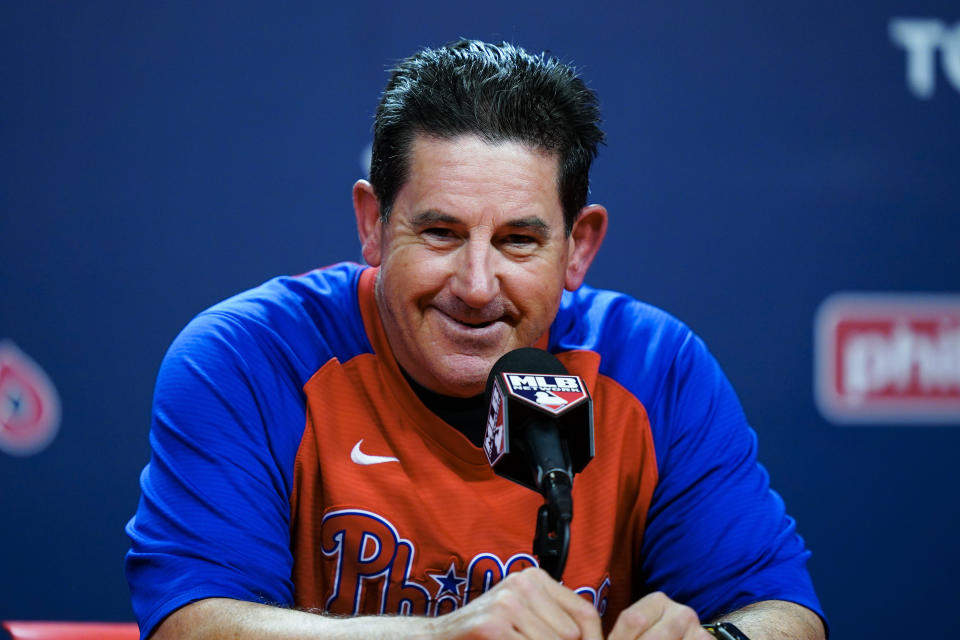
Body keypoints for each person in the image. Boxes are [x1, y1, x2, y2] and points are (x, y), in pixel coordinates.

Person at [125, 39, 827, 640]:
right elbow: (192, 622)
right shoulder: (247, 358)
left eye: (519, 240)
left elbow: (785, 613)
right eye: (440, 232)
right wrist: (437, 637)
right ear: (372, 224)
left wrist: (721, 636)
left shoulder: (655, 369)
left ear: (579, 247)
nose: (477, 284)